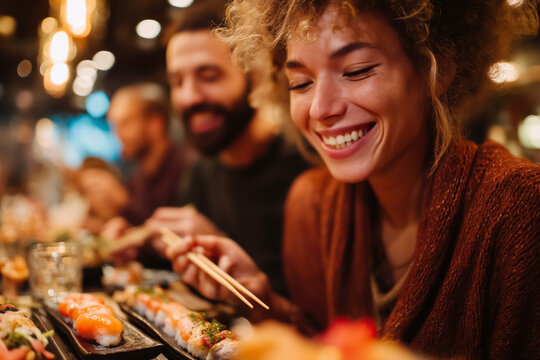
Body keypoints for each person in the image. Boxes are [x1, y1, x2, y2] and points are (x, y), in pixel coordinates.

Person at [165, 0, 540, 358]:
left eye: (357, 70)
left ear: (436, 69)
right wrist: (261, 296)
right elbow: (319, 346)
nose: (321, 108)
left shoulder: (519, 208)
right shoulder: (312, 205)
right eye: (300, 83)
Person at [141, 0, 310, 295]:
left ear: (256, 77)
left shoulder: (306, 163)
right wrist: (141, 246)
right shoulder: (200, 173)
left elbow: (316, 317)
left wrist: (215, 244)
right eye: (177, 81)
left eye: (209, 76)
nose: (189, 97)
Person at [106, 82, 192, 226]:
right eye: (114, 126)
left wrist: (123, 201)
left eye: (125, 123)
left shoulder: (189, 168)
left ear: (155, 124)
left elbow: (173, 231)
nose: (117, 134)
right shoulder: (136, 179)